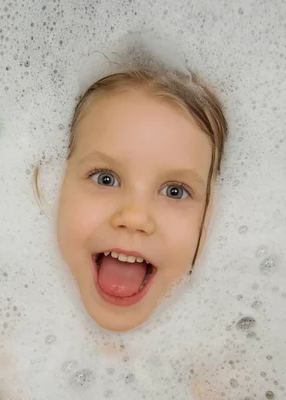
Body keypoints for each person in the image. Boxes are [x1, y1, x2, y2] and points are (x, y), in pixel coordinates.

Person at [53, 47, 229, 332]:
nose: (135, 217)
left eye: (175, 191)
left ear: (214, 213)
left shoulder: (223, 367)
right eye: (105, 178)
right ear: (49, 182)